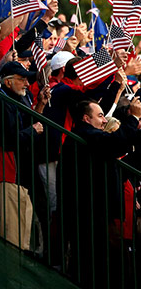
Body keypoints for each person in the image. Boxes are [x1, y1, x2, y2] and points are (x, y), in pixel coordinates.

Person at [59, 98, 141, 288]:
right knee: (94, 265)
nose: (104, 121)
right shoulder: (85, 134)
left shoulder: (91, 137)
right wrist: (134, 117)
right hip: (89, 214)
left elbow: (121, 147)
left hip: (96, 213)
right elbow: (115, 144)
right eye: (100, 115)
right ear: (86, 119)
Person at [0, 61, 49, 250]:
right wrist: (32, 131)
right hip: (6, 176)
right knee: (14, 242)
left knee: (8, 240)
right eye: (22, 79)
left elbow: (24, 131)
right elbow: (10, 140)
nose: (27, 84)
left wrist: (39, 107)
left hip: (15, 179)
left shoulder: (11, 103)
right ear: (8, 82)